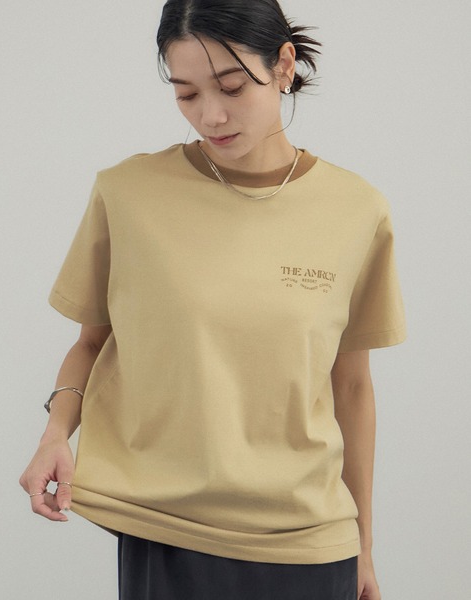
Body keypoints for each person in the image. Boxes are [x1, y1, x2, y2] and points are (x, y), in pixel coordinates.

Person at [20, 1, 405, 598]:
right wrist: (54, 436)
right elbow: (92, 343)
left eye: (231, 87)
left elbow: (352, 387)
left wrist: (365, 547)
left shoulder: (357, 210)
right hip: (166, 529)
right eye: (186, 94)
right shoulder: (128, 194)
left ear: (284, 65)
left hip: (311, 542)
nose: (211, 115)